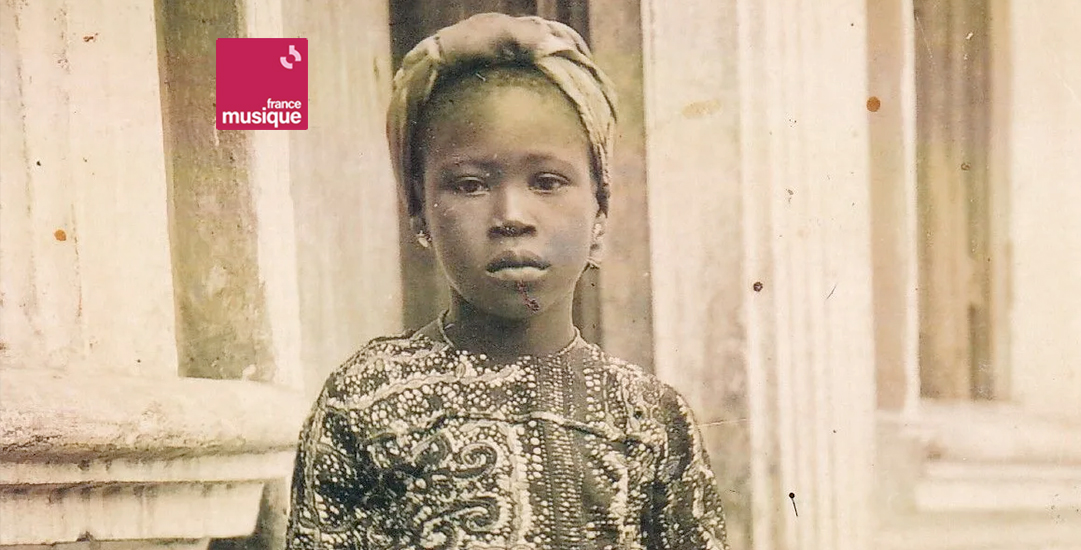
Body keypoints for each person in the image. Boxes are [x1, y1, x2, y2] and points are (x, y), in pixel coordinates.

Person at [285, 12, 730, 550]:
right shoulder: (364, 401)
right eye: (470, 185)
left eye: (547, 181)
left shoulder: (650, 417)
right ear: (420, 216)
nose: (511, 214)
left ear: (601, 211)